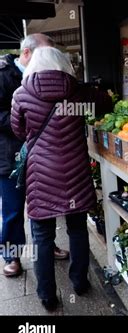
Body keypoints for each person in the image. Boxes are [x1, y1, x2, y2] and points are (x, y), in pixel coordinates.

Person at [10, 46, 112, 311]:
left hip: (40, 174)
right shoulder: (78, 92)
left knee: (42, 236)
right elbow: (105, 102)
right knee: (77, 228)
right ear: (63, 65)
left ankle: (47, 296)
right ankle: (79, 282)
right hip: (76, 170)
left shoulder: (21, 94)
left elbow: (19, 131)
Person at [0, 34, 69, 278]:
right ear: (27, 53)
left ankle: (47, 247)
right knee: (12, 210)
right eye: (44, 54)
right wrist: (28, 121)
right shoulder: (3, 74)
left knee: (44, 206)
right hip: (11, 157)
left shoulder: (45, 73)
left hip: (42, 155)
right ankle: (12, 256)